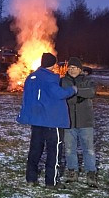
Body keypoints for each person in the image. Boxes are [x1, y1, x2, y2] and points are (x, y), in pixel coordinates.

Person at [17, 52, 77, 187]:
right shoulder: (49, 78)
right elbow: (59, 94)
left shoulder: (31, 77)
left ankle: (31, 178)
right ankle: (51, 181)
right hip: (51, 120)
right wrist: (72, 90)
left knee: (35, 149)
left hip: (36, 120)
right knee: (54, 151)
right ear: (54, 64)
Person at [61, 56, 98, 185]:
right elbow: (62, 96)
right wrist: (77, 96)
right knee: (70, 149)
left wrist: (75, 91)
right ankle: (72, 172)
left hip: (85, 121)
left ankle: (91, 174)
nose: (72, 70)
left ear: (80, 69)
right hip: (68, 121)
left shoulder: (88, 80)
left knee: (88, 149)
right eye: (70, 67)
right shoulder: (63, 81)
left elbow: (91, 92)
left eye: (74, 67)